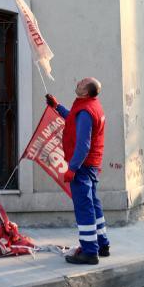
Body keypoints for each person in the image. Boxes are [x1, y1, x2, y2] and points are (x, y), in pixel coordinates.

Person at [46, 77, 109, 265]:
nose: (78, 82)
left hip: (82, 166)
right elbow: (73, 119)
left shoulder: (85, 112)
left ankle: (89, 252)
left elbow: (83, 145)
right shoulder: (90, 106)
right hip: (91, 164)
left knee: (84, 207)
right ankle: (102, 244)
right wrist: (58, 107)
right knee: (94, 203)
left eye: (81, 83)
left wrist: (72, 168)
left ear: (85, 92)